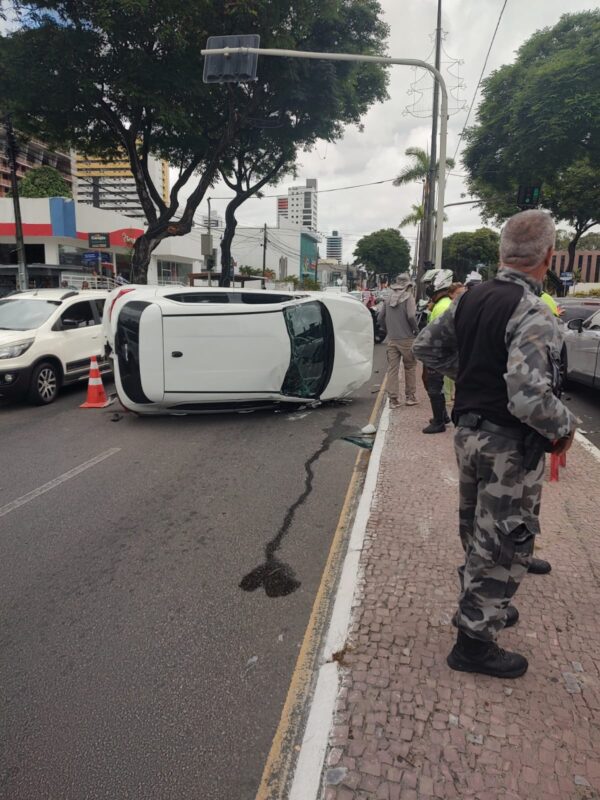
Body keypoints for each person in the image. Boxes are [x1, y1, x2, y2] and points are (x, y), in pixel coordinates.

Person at [413, 210, 577, 678]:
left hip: (469, 431)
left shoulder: (469, 298)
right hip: (507, 440)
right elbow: (529, 397)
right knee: (505, 540)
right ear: (548, 257)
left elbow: (428, 348)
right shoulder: (532, 310)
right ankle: (473, 643)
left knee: (478, 527)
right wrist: (563, 427)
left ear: (502, 253)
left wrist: (469, 380)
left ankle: (487, 606)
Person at [377, 273, 419, 409]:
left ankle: (393, 399)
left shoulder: (387, 298)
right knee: (410, 367)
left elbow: (380, 318)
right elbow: (412, 316)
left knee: (392, 369)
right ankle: (410, 397)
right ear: (408, 285)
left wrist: (388, 329)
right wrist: (416, 330)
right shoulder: (409, 297)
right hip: (407, 338)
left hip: (392, 339)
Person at [421, 269, 454, 433]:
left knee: (434, 385)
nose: (427, 288)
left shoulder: (442, 307)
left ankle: (439, 423)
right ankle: (442, 416)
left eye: (429, 284)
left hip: (438, 354)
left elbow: (440, 336)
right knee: (433, 384)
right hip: (438, 353)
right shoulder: (441, 304)